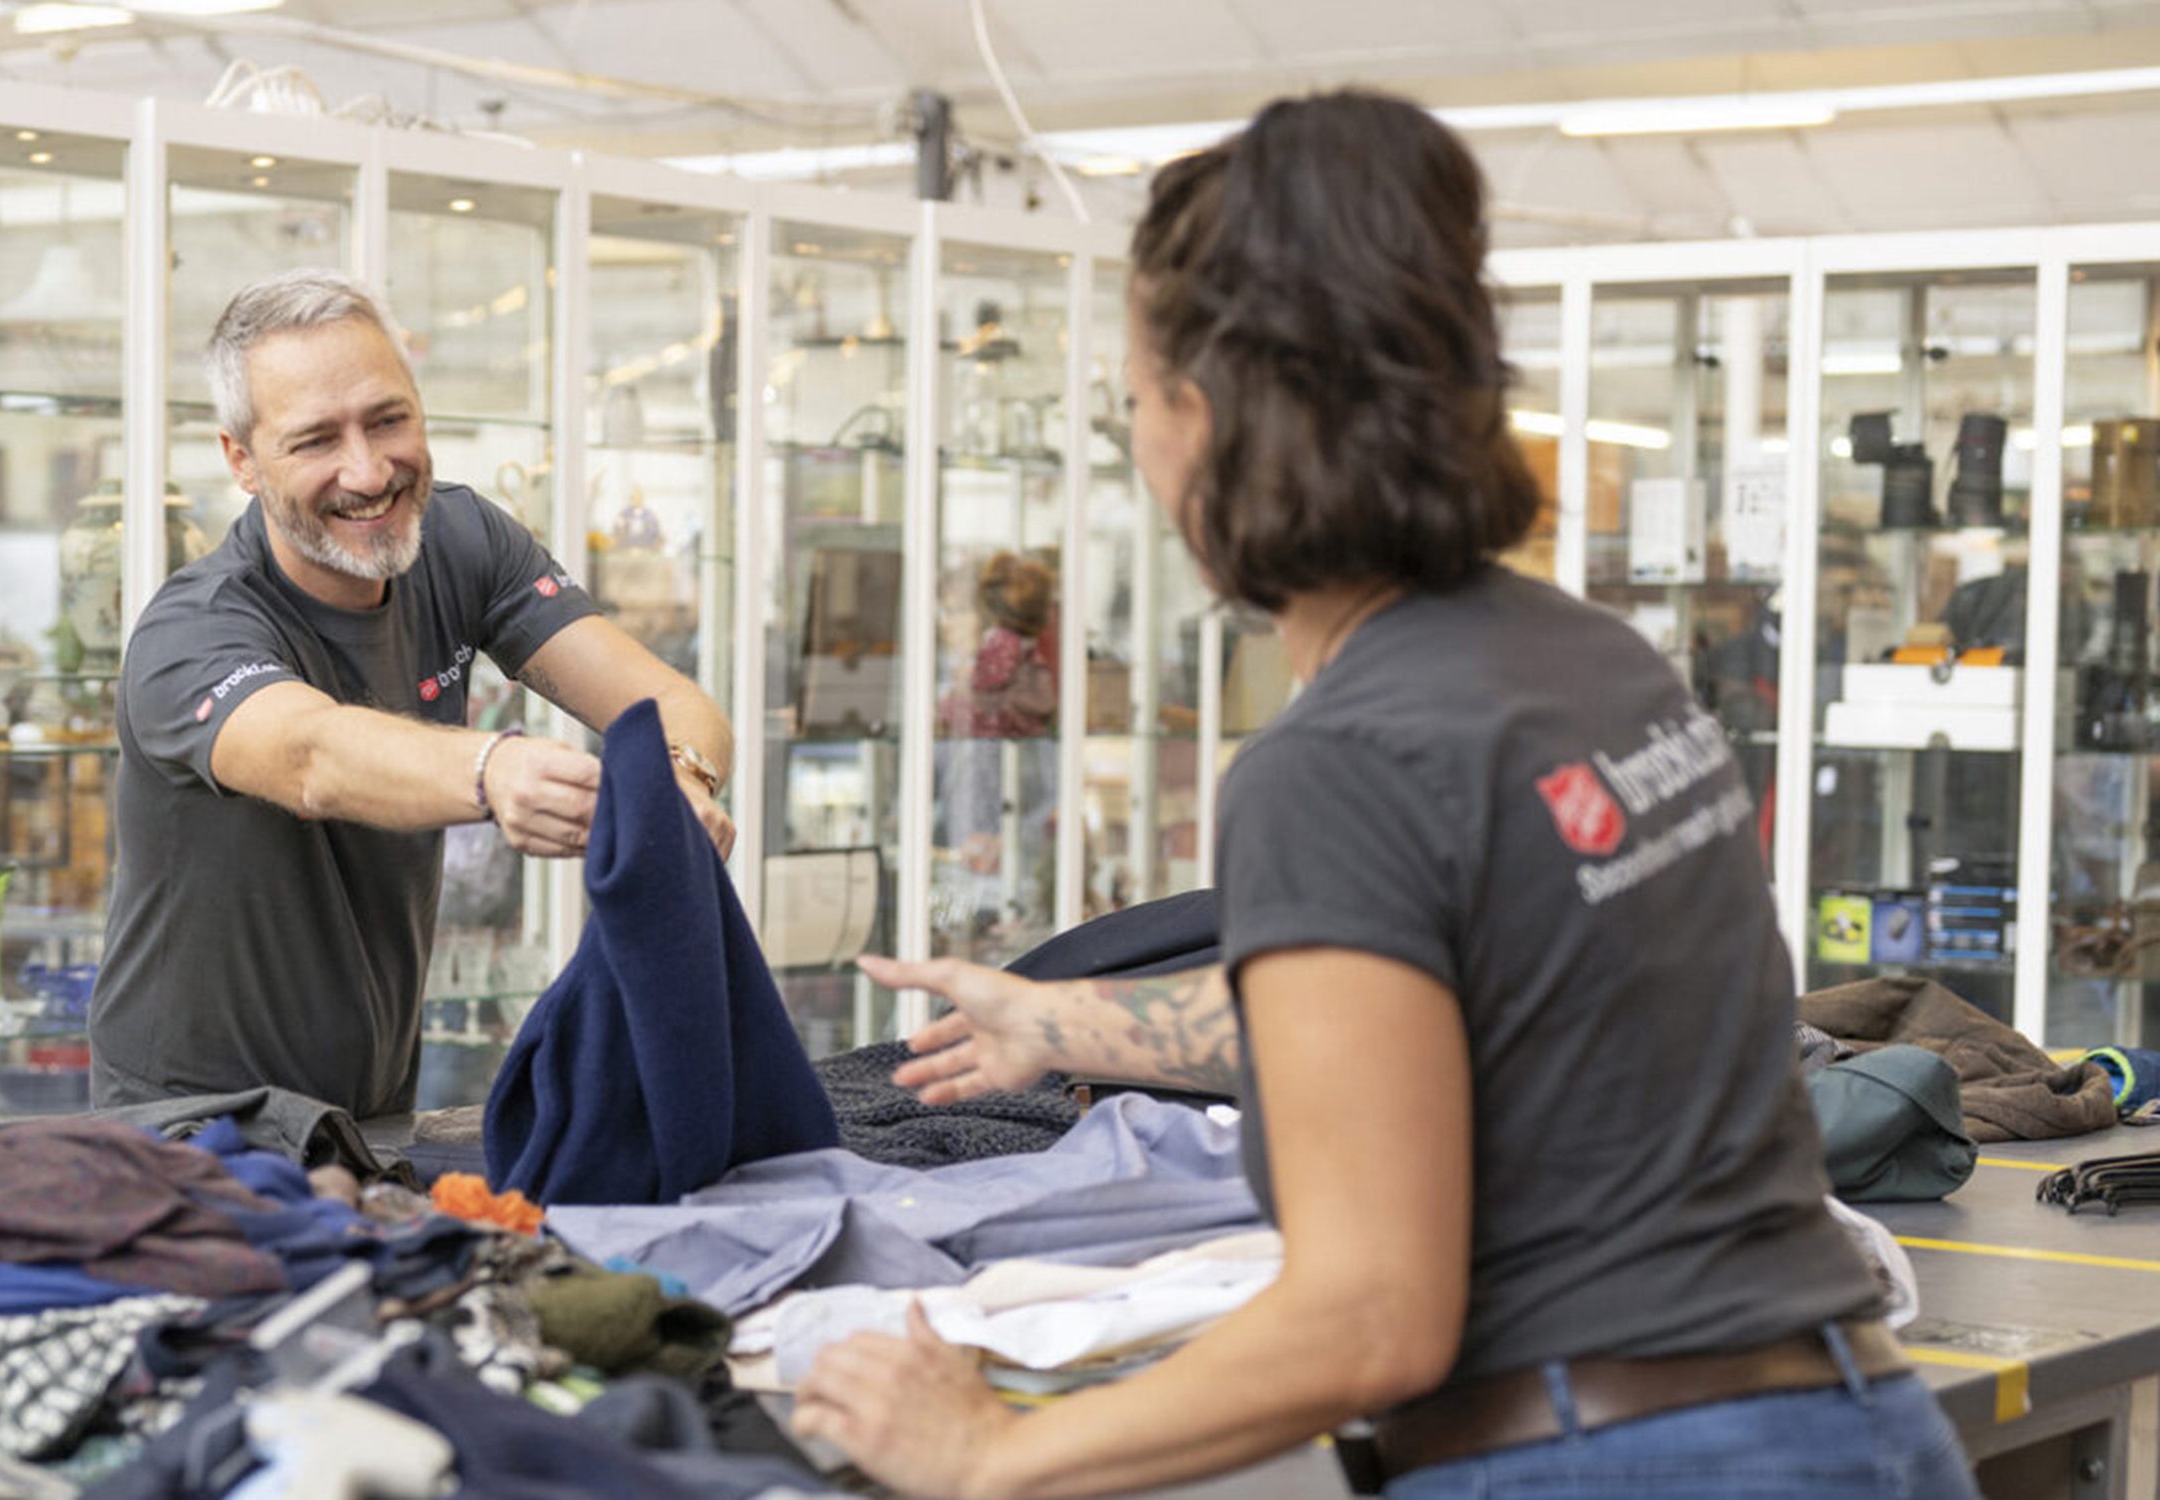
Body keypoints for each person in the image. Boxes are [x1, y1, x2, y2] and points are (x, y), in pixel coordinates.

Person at [787, 91, 1979, 1500]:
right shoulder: (1599, 671)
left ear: (1211, 421)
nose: (1140, 442)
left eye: (1136, 399)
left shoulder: (1338, 760)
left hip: (1615, 1460)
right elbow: (1454, 1005)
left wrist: (992, 1451)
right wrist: (1066, 1020)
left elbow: (1370, 1317)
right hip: (1861, 1431)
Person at [91, 269, 736, 1119]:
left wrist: (684, 778)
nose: (367, 471)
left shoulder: (462, 542)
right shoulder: (193, 631)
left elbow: (665, 701)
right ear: (241, 460)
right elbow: (310, 756)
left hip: (374, 1112)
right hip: (192, 1132)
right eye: (316, 440)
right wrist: (493, 771)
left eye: (388, 420)